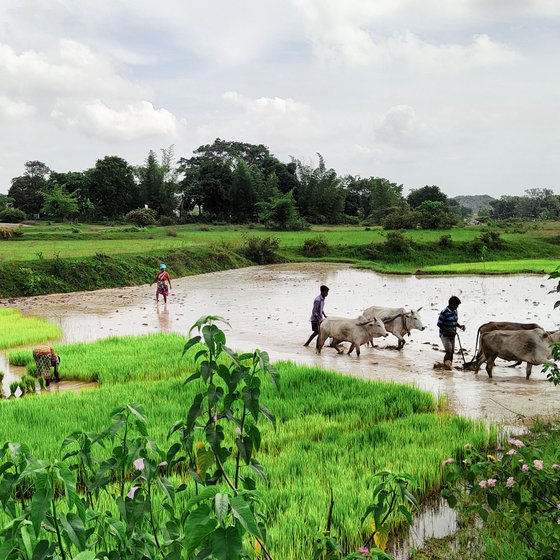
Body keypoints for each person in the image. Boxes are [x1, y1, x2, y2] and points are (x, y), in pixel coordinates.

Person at [437, 296, 465, 370]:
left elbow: (454, 322)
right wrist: (449, 331)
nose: (457, 307)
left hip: (452, 335)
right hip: (445, 335)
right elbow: (439, 324)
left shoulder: (455, 311)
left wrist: (460, 326)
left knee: (452, 351)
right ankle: (445, 365)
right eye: (456, 305)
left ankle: (449, 365)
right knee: (449, 350)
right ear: (451, 304)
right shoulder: (444, 312)